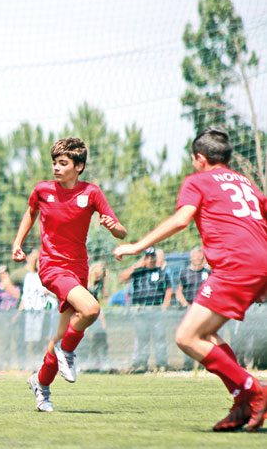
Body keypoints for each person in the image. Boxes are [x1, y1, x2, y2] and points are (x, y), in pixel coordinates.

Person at [113, 126, 267, 432]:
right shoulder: (247, 183)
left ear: (200, 158)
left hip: (235, 264)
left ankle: (254, 390)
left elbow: (182, 219)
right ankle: (241, 402)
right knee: (206, 336)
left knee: (186, 337)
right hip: (258, 259)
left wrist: (137, 246)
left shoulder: (198, 180)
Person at [12, 137, 127, 412]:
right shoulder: (42, 190)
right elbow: (31, 213)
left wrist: (112, 227)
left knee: (61, 334)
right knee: (91, 309)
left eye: (63, 163)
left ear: (79, 167)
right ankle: (68, 351)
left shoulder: (92, 193)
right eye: (54, 162)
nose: (56, 167)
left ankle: (41, 384)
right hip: (52, 267)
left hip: (78, 270)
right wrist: (18, 243)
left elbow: (121, 231)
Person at [117, 246, 172, 371]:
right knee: (142, 339)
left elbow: (169, 290)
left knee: (160, 338)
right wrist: (137, 265)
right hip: (141, 311)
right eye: (148, 257)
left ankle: (161, 364)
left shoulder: (161, 273)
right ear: (144, 258)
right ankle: (142, 364)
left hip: (156, 310)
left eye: (152, 257)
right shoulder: (138, 272)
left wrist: (164, 306)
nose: (151, 260)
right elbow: (122, 278)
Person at [86, 261, 109, 368]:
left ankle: (99, 361)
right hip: (86, 312)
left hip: (96, 313)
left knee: (100, 337)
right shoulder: (86, 284)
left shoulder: (99, 285)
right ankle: (88, 362)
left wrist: (105, 282)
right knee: (88, 339)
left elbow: (105, 297)